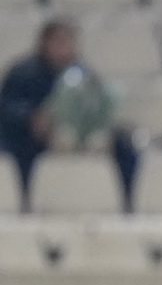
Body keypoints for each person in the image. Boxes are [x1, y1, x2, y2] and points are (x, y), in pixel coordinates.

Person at [0, 18, 138, 212]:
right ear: (44, 43)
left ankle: (128, 200)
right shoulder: (23, 72)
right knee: (22, 150)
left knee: (124, 146)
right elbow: (7, 107)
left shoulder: (82, 71)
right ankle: (26, 202)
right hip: (33, 135)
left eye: (68, 41)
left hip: (77, 132)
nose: (64, 47)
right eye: (58, 41)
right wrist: (31, 117)